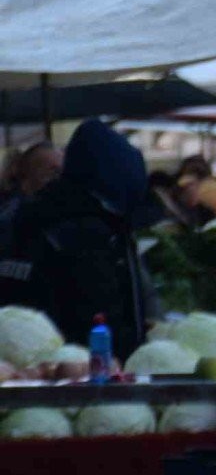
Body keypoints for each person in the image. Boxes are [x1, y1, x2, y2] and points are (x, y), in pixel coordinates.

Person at [0, 122, 151, 357]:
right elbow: (101, 315)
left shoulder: (25, 220)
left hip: (36, 368)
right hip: (85, 373)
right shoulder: (88, 233)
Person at [0, 141, 61, 243]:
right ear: (26, 179)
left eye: (62, 172)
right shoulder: (11, 222)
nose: (59, 179)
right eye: (53, 172)